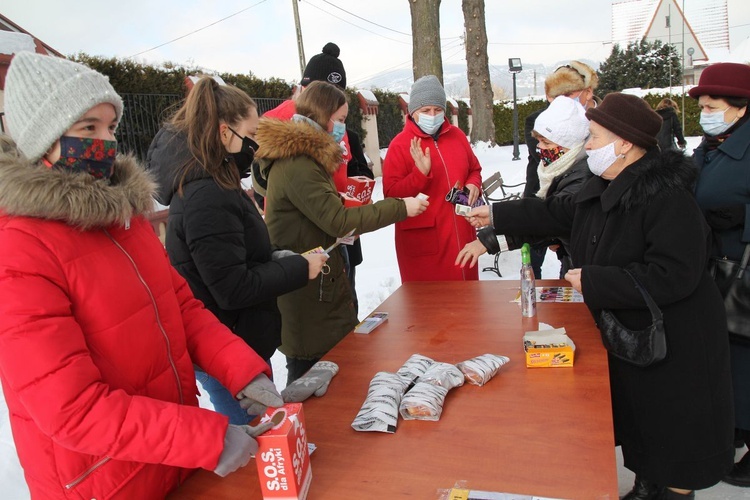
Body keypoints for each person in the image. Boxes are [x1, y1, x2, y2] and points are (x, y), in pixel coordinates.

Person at [0, 52, 284, 498]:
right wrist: (204, 438)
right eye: (87, 129)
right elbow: (72, 410)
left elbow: (183, 309)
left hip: (171, 464)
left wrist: (243, 371)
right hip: (106, 484)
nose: (105, 143)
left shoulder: (123, 222)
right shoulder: (19, 250)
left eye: (110, 128)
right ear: (44, 141)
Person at [457, 92, 734, 499]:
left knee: (672, 431)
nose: (586, 146)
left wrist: (598, 281)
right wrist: (497, 216)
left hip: (676, 339)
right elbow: (559, 213)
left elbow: (674, 274)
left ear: (624, 143)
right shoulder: (607, 182)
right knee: (642, 421)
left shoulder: (667, 197)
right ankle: (645, 482)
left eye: (594, 137)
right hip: (634, 329)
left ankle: (672, 492)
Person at [146, 77, 328, 424]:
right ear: (225, 132)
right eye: (253, 133)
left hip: (237, 345)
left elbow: (231, 254)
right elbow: (232, 287)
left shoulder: (217, 182)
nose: (256, 144)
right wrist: (298, 268)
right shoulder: (206, 196)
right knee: (256, 455)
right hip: (227, 354)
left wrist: (274, 257)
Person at [255, 80, 428, 385]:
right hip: (307, 298)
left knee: (330, 379)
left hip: (317, 288)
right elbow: (336, 220)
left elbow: (319, 219)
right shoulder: (297, 163)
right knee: (309, 383)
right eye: (341, 120)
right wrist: (400, 207)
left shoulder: (306, 158)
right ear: (323, 116)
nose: (343, 130)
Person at [256, 42, 368, 315]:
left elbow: (348, 168)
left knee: (344, 307)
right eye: (322, 91)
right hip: (302, 242)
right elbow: (264, 183)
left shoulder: (336, 126)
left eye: (336, 92)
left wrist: (355, 192)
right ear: (305, 88)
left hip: (339, 236)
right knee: (312, 317)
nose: (328, 99)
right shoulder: (279, 122)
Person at [689, 62, 750, 488]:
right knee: (724, 360)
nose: (704, 113)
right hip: (714, 269)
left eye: (711, 105)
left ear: (740, 107)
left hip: (744, 274)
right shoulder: (712, 143)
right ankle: (731, 428)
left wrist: (744, 216)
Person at [382, 75, 482, 282]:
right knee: (430, 306)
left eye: (438, 110)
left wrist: (473, 184)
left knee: (468, 301)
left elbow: (474, 168)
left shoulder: (457, 136)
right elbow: (391, 194)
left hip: (462, 232)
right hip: (424, 242)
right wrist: (419, 175)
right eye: (425, 111)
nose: (433, 115)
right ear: (413, 112)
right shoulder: (400, 145)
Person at [476, 96, 591, 277]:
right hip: (574, 262)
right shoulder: (563, 168)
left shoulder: (581, 176)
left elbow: (548, 216)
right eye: (538, 141)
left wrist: (493, 224)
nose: (539, 148)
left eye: (546, 142)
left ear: (568, 144)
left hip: (584, 269)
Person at [522, 60, 599, 277]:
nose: (562, 103)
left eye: (568, 96)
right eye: (556, 98)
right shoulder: (541, 122)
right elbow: (547, 160)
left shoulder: (605, 123)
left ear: (587, 92)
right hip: (543, 198)